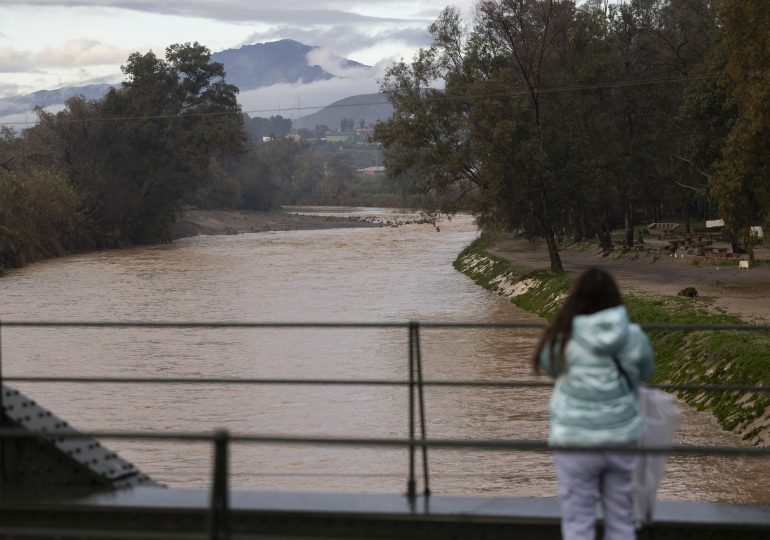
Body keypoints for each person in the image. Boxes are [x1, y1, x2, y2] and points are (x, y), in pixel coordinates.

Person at [533, 267, 655, 540]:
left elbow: (547, 365)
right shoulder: (633, 336)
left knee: (578, 522)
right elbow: (646, 372)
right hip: (621, 438)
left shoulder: (564, 337)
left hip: (574, 441)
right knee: (621, 519)